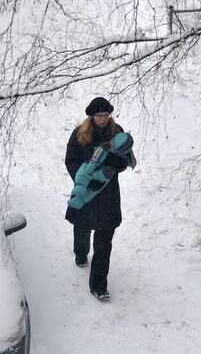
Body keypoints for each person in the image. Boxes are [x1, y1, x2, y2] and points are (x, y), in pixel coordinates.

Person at [65, 96, 133, 301]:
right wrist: (84, 180)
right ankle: (80, 251)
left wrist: (115, 166)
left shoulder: (117, 132)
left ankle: (99, 286)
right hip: (86, 191)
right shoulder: (80, 134)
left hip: (108, 193)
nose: (103, 119)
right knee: (82, 226)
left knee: (104, 240)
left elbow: (126, 158)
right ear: (92, 116)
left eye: (106, 115)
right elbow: (71, 160)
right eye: (99, 116)